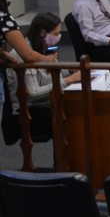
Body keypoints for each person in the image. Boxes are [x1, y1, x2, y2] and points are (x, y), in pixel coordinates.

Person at [5, 12, 82, 144]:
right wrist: (69, 80)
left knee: (77, 106)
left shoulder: (44, 47)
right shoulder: (24, 54)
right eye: (56, 33)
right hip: (27, 112)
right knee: (72, 115)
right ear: (43, 33)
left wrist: (68, 71)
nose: (59, 37)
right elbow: (33, 93)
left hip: (44, 103)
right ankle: (66, 156)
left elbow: (48, 75)